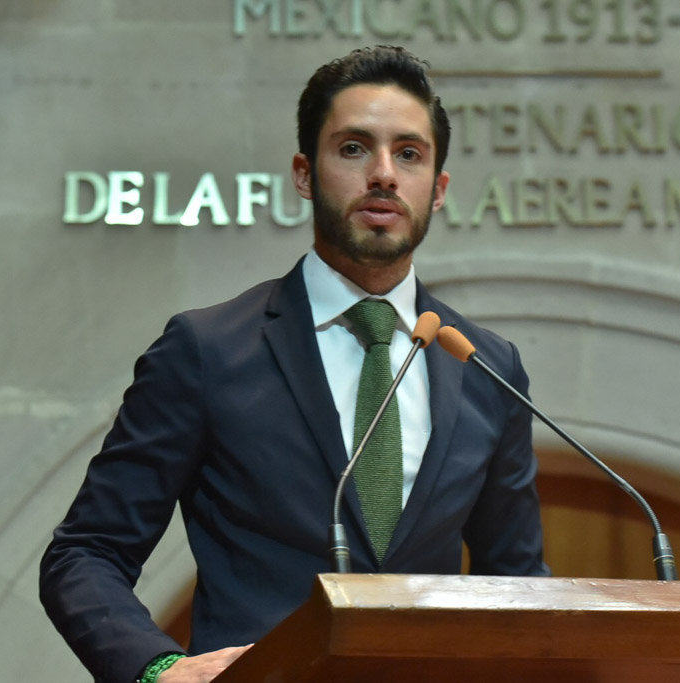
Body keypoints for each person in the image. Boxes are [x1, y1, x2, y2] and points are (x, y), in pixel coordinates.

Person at [39, 45, 549, 683]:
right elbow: (86, 552)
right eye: (354, 148)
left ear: (438, 189)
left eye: (409, 154)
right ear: (305, 174)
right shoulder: (207, 350)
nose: (384, 174)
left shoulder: (485, 365)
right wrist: (158, 669)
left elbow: (518, 582)